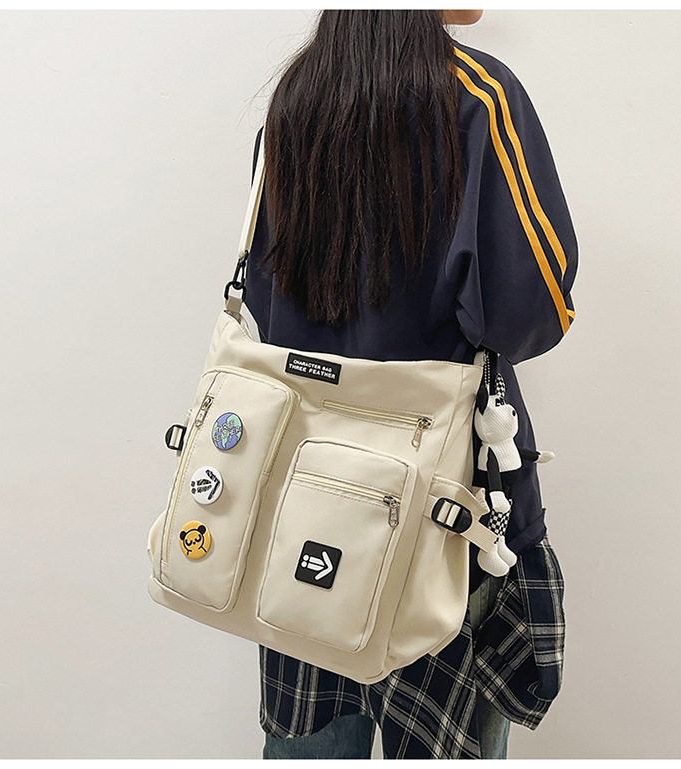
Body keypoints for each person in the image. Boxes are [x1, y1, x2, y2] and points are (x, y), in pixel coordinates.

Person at [242, 9, 577, 760]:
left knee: (310, 744)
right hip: (447, 504)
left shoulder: (297, 97)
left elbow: (264, 299)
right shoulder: (479, 95)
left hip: (311, 492)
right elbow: (529, 309)